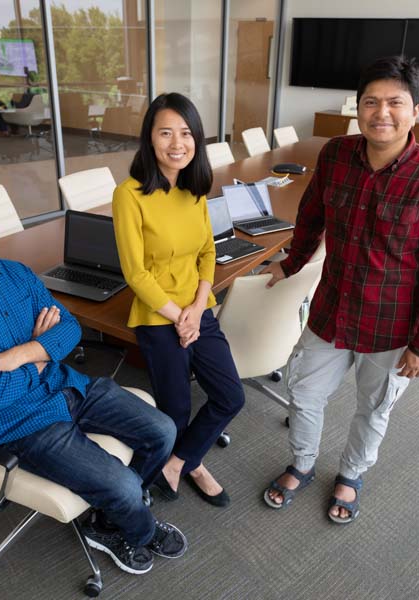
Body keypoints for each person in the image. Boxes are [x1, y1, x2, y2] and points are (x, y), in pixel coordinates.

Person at [0, 185, 187, 575]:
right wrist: (44, 351)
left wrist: (22, 354)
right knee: (124, 486)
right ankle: (132, 530)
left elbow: (71, 329)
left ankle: (112, 514)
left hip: (69, 385)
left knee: (162, 430)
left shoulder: (17, 273)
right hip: (21, 422)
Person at [262, 56, 419, 524]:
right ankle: (303, 464)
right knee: (304, 393)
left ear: (415, 110)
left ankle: (351, 475)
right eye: (370, 102)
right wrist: (289, 263)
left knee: (373, 409)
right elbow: (312, 216)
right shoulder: (335, 154)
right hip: (332, 309)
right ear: (357, 108)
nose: (382, 113)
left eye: (395, 103)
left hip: (393, 325)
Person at [112, 93, 245, 507]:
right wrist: (178, 316)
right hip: (157, 317)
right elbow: (135, 273)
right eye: (165, 132)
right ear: (149, 139)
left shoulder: (195, 190)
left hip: (198, 308)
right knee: (176, 409)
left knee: (230, 396)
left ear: (197, 139)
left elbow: (208, 253)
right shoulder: (129, 195)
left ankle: (181, 461)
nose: (177, 143)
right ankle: (191, 460)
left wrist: (197, 305)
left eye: (186, 133)